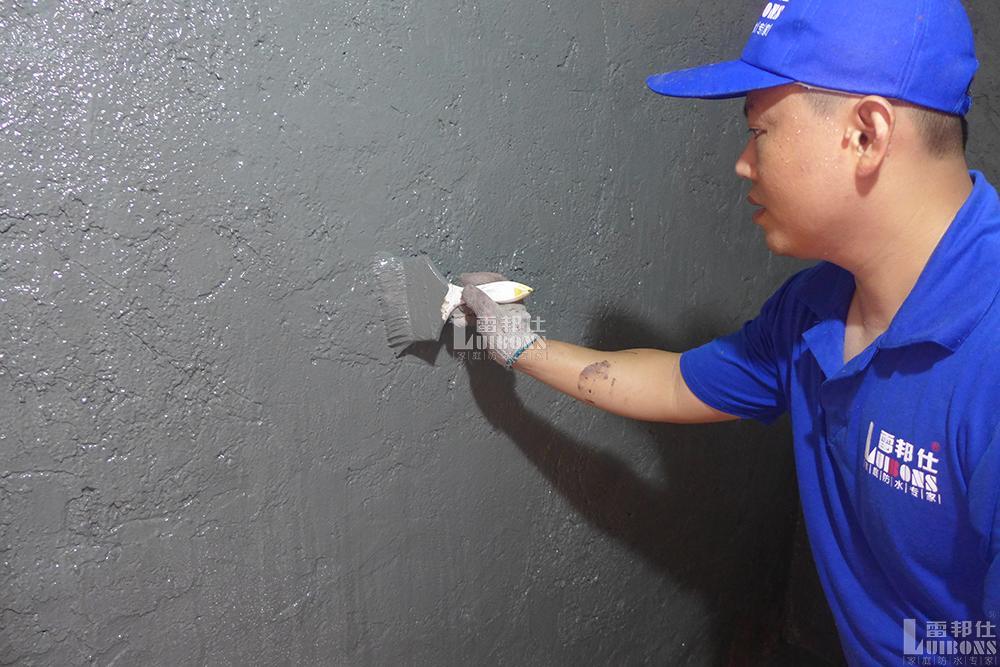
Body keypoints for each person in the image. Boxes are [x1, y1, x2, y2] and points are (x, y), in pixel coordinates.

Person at [454, 0, 999, 664]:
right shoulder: (817, 308)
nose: (744, 163)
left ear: (866, 134)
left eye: (760, 130)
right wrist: (519, 344)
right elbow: (676, 382)